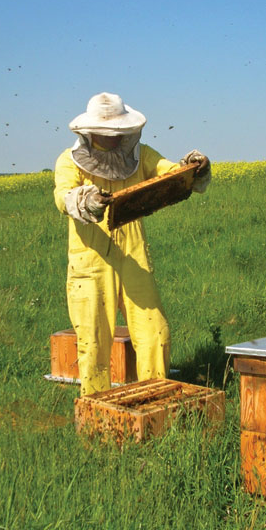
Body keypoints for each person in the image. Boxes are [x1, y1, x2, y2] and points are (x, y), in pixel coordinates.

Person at [53, 92, 211, 396]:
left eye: (117, 132)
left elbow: (170, 171)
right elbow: (63, 195)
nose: (112, 138)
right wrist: (86, 200)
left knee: (155, 332)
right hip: (90, 258)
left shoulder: (142, 155)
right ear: (90, 131)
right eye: (105, 132)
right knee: (93, 341)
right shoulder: (68, 161)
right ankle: (97, 409)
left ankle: (156, 400)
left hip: (134, 255)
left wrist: (195, 167)